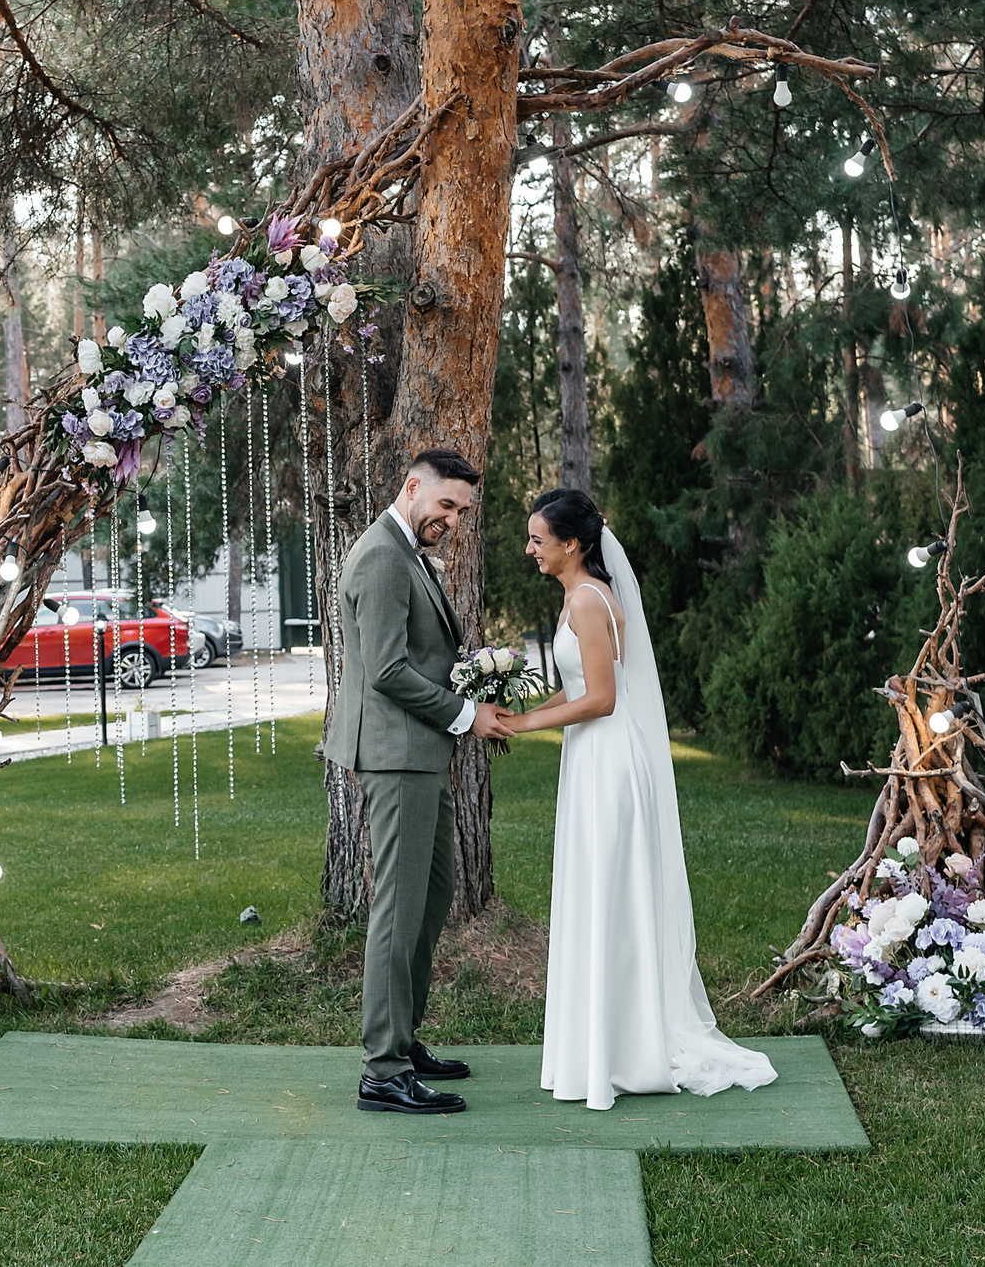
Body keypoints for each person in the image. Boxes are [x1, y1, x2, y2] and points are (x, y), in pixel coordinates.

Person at [500, 487, 777, 1108]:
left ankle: (623, 1051)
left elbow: (602, 699)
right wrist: (514, 712)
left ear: (571, 544)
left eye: (538, 539)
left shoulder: (589, 601)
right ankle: (605, 1044)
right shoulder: (583, 597)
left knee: (611, 891)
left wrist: (522, 726)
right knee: (601, 891)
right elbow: (576, 688)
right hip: (592, 756)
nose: (530, 549)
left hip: (609, 760)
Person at [323, 448, 510, 1116]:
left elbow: (422, 655)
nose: (453, 519)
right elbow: (388, 670)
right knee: (399, 912)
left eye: (462, 510)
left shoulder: (404, 551)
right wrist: (469, 713)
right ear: (412, 487)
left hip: (420, 754)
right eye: (446, 504)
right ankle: (383, 1070)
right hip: (396, 756)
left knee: (429, 900)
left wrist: (473, 673)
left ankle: (403, 1039)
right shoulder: (380, 556)